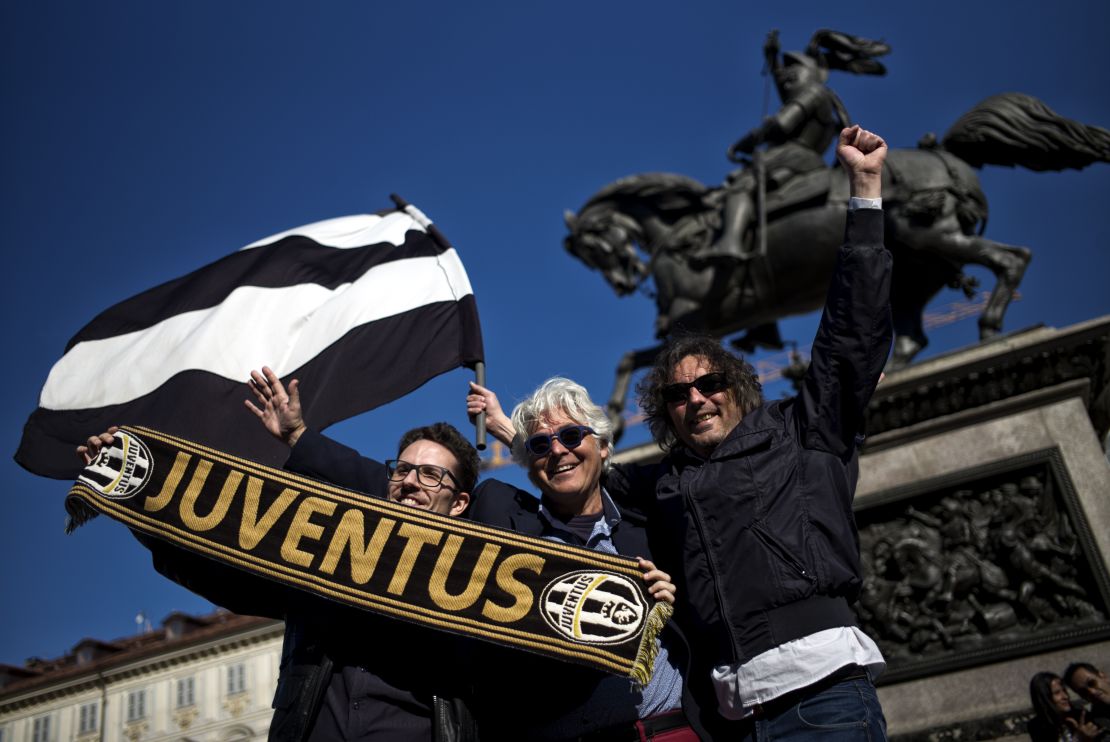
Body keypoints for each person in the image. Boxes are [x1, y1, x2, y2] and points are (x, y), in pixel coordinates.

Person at [470, 124, 891, 739]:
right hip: (732, 719)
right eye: (676, 394)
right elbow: (582, 468)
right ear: (663, 411)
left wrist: (865, 193)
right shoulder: (663, 483)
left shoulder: (804, 433)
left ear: (738, 386)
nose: (696, 399)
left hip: (822, 698)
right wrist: (518, 436)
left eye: (710, 384)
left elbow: (851, 339)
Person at [249, 372, 706, 740]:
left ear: (604, 446)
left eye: (571, 435)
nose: (559, 451)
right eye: (543, 446)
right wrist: (301, 438)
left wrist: (669, 597)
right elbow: (402, 491)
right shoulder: (504, 516)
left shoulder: (647, 517)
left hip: (665, 729)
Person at [79, 368, 482, 742]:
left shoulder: (478, 589)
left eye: (430, 475)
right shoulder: (326, 554)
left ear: (460, 503)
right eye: (401, 470)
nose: (410, 482)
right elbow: (217, 571)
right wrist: (134, 498)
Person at [702, 29, 888, 263]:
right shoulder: (824, 97)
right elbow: (783, 83)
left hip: (790, 157)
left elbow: (782, 123)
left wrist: (745, 142)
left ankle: (729, 242)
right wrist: (772, 59)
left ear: (807, 73)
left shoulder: (812, 93)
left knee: (741, 186)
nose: (785, 75)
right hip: (806, 161)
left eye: (793, 70)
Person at [1028, 671, 1105, 742]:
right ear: (1044, 698)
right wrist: (1078, 739)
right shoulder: (1038, 727)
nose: (1065, 696)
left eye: (1064, 690)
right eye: (1057, 693)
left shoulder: (1081, 716)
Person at [1064, 663, 1110, 735]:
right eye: (1083, 692)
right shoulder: (1098, 726)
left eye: (1091, 683)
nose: (1092, 692)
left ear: (1103, 676)